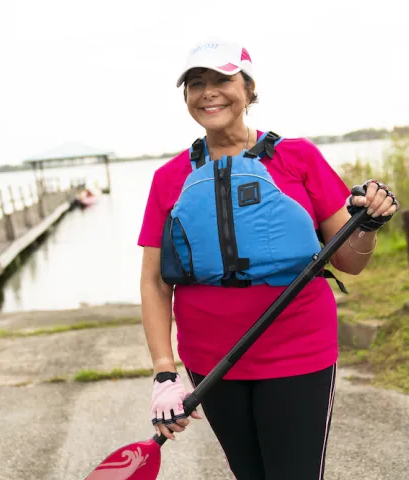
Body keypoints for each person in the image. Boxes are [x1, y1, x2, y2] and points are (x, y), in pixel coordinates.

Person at [137, 39, 399, 480]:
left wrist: (366, 224)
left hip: (298, 349)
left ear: (249, 88)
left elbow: (351, 262)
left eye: (222, 79)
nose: (208, 92)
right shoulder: (169, 178)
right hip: (211, 359)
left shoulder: (299, 158)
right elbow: (154, 282)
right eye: (196, 84)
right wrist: (165, 373)